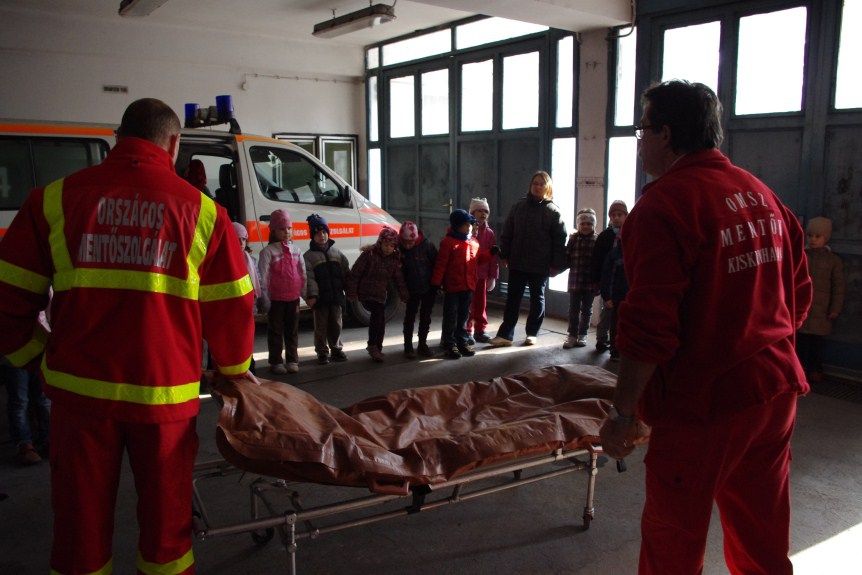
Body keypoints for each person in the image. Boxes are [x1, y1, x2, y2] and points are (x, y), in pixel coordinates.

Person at [0, 98, 256, 574]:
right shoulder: (204, 213)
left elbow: (7, 299)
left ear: (117, 137)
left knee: (78, 530)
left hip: (78, 399)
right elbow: (232, 306)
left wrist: (35, 357)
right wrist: (233, 372)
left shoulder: (53, 200)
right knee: (167, 534)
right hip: (164, 399)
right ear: (174, 144)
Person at [599, 80, 812, 575]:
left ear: (666, 134)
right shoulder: (761, 195)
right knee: (761, 530)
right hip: (775, 390)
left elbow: (649, 326)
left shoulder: (664, 206)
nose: (640, 143)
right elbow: (798, 295)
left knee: (673, 540)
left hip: (704, 405)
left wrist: (624, 413)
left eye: (642, 130)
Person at [489, 171, 567, 347]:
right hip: (517, 262)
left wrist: (556, 265)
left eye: (541, 184)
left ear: (547, 187)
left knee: (537, 299)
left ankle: (532, 333)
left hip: (540, 264)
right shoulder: (519, 207)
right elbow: (508, 232)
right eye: (535, 183)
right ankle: (505, 335)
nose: (537, 186)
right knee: (513, 299)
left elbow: (559, 241)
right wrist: (504, 254)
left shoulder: (553, 212)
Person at [346, 227, 409, 362]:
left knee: (380, 321)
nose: (388, 248)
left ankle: (377, 348)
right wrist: (352, 293)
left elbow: (399, 279)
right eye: (385, 245)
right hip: (366, 293)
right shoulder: (369, 255)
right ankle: (373, 346)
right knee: (378, 317)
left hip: (380, 295)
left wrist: (404, 295)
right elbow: (355, 274)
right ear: (380, 243)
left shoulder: (394, 259)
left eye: (391, 246)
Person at [258, 208, 306, 375]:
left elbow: (302, 273)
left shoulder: (297, 251)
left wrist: (305, 293)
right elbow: (262, 276)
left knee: (292, 331)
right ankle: (276, 361)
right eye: (282, 229)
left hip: (293, 298)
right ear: (273, 231)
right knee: (276, 331)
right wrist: (264, 298)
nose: (287, 232)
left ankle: (292, 360)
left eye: (289, 228)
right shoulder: (267, 252)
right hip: (276, 299)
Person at [796, 216, 845, 382]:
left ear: (826, 238)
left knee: (816, 344)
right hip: (802, 309)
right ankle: (800, 370)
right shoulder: (802, 256)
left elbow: (838, 288)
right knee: (801, 342)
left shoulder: (833, 261)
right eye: (810, 236)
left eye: (818, 236)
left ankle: (815, 369)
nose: (813, 240)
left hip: (821, 312)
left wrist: (835, 309)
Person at [431, 209, 480, 359]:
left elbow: (477, 260)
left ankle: (462, 341)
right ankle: (449, 343)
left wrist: (491, 254)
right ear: (457, 226)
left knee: (463, 316)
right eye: (466, 224)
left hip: (468, 286)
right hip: (453, 287)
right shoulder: (448, 242)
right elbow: (441, 264)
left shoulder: (473, 242)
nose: (469, 227)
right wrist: (436, 282)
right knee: (450, 316)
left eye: (470, 224)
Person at [303, 213, 350, 364]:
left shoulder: (337, 253)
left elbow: (345, 272)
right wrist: (312, 296)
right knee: (321, 327)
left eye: (324, 232)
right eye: (317, 233)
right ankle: (322, 352)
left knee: (336, 324)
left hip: (336, 297)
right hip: (320, 300)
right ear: (312, 236)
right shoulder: (308, 257)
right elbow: (309, 278)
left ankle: (336, 349)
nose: (321, 236)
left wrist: (349, 288)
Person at [591, 200, 628, 352]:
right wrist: (596, 280)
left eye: (620, 215)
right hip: (607, 280)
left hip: (623, 282)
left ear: (626, 216)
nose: (616, 218)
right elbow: (597, 259)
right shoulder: (605, 236)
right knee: (606, 313)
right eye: (613, 215)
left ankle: (617, 345)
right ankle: (601, 340)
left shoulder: (630, 234)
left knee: (619, 317)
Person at [399, 220, 438, 359]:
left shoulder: (427, 245)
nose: (407, 245)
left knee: (425, 317)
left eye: (410, 242)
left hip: (428, 288)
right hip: (411, 289)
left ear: (416, 238)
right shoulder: (398, 248)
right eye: (405, 242)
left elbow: (436, 264)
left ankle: (422, 344)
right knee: (410, 317)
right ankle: (408, 346)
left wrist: (437, 284)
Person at [563, 208, 598, 349]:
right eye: (583, 224)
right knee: (573, 309)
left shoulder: (596, 240)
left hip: (590, 282)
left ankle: (583, 334)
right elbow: (566, 256)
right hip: (575, 280)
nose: (586, 226)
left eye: (589, 224)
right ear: (578, 225)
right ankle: (572, 335)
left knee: (587, 310)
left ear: (593, 225)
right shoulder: (573, 239)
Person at [465, 197, 499, 345]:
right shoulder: (467, 231)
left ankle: (480, 329)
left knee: (480, 304)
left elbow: (493, 257)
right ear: (472, 213)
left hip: (482, 275)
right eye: (479, 211)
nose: (483, 214)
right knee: (467, 303)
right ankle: (467, 330)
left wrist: (493, 276)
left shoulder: (489, 233)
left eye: (486, 211)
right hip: (468, 275)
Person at [232, 221, 263, 374]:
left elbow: (257, 280)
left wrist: (260, 300)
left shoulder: (250, 260)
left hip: (248, 307)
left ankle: (248, 366)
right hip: (231, 309)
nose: (241, 243)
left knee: (247, 338)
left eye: (243, 239)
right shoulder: (225, 259)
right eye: (236, 239)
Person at [599, 232, 628, 360]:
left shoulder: (637, 252)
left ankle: (626, 350)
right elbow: (607, 276)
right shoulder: (614, 254)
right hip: (616, 297)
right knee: (615, 324)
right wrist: (607, 297)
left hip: (632, 297)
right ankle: (615, 351)